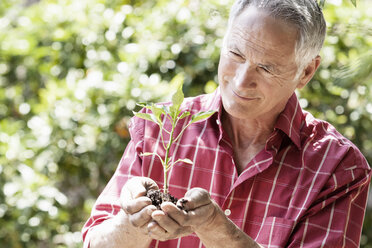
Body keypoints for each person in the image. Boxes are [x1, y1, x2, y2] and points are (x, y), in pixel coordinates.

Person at [82, 0, 371, 247]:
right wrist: (131, 223)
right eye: (236, 54)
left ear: (306, 71)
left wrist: (219, 231)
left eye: (266, 68)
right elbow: (94, 241)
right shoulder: (160, 127)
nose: (242, 81)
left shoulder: (336, 167)